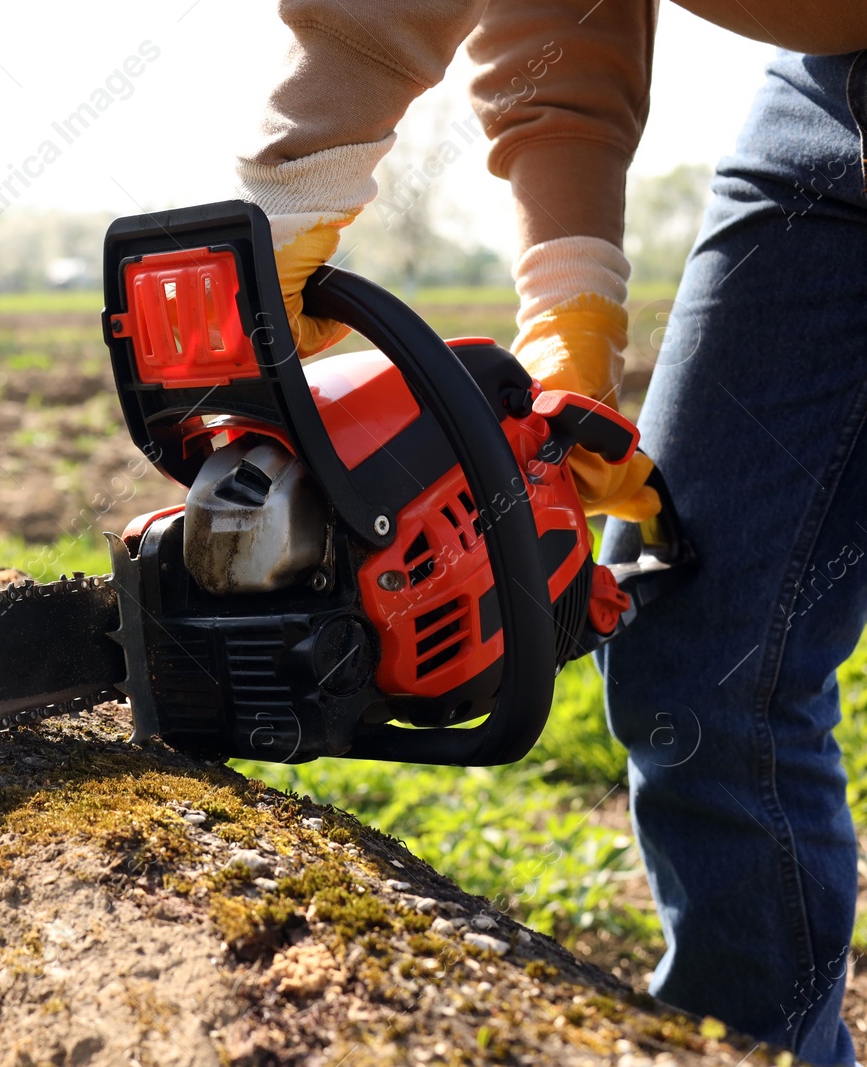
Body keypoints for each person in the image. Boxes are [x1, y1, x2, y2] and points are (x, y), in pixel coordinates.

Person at [239, 3, 867, 1063]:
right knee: (692, 636)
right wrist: (569, 321)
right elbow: (560, 18)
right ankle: (754, 1046)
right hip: (824, 95)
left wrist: (293, 177)